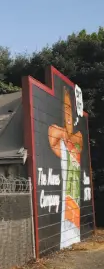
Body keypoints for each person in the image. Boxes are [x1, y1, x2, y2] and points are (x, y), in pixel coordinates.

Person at [48, 87, 83, 248]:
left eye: (70, 111)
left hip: (75, 212)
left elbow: (80, 141)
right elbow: (52, 134)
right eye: (66, 110)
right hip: (67, 211)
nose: (69, 117)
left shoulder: (76, 142)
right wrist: (63, 134)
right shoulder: (60, 139)